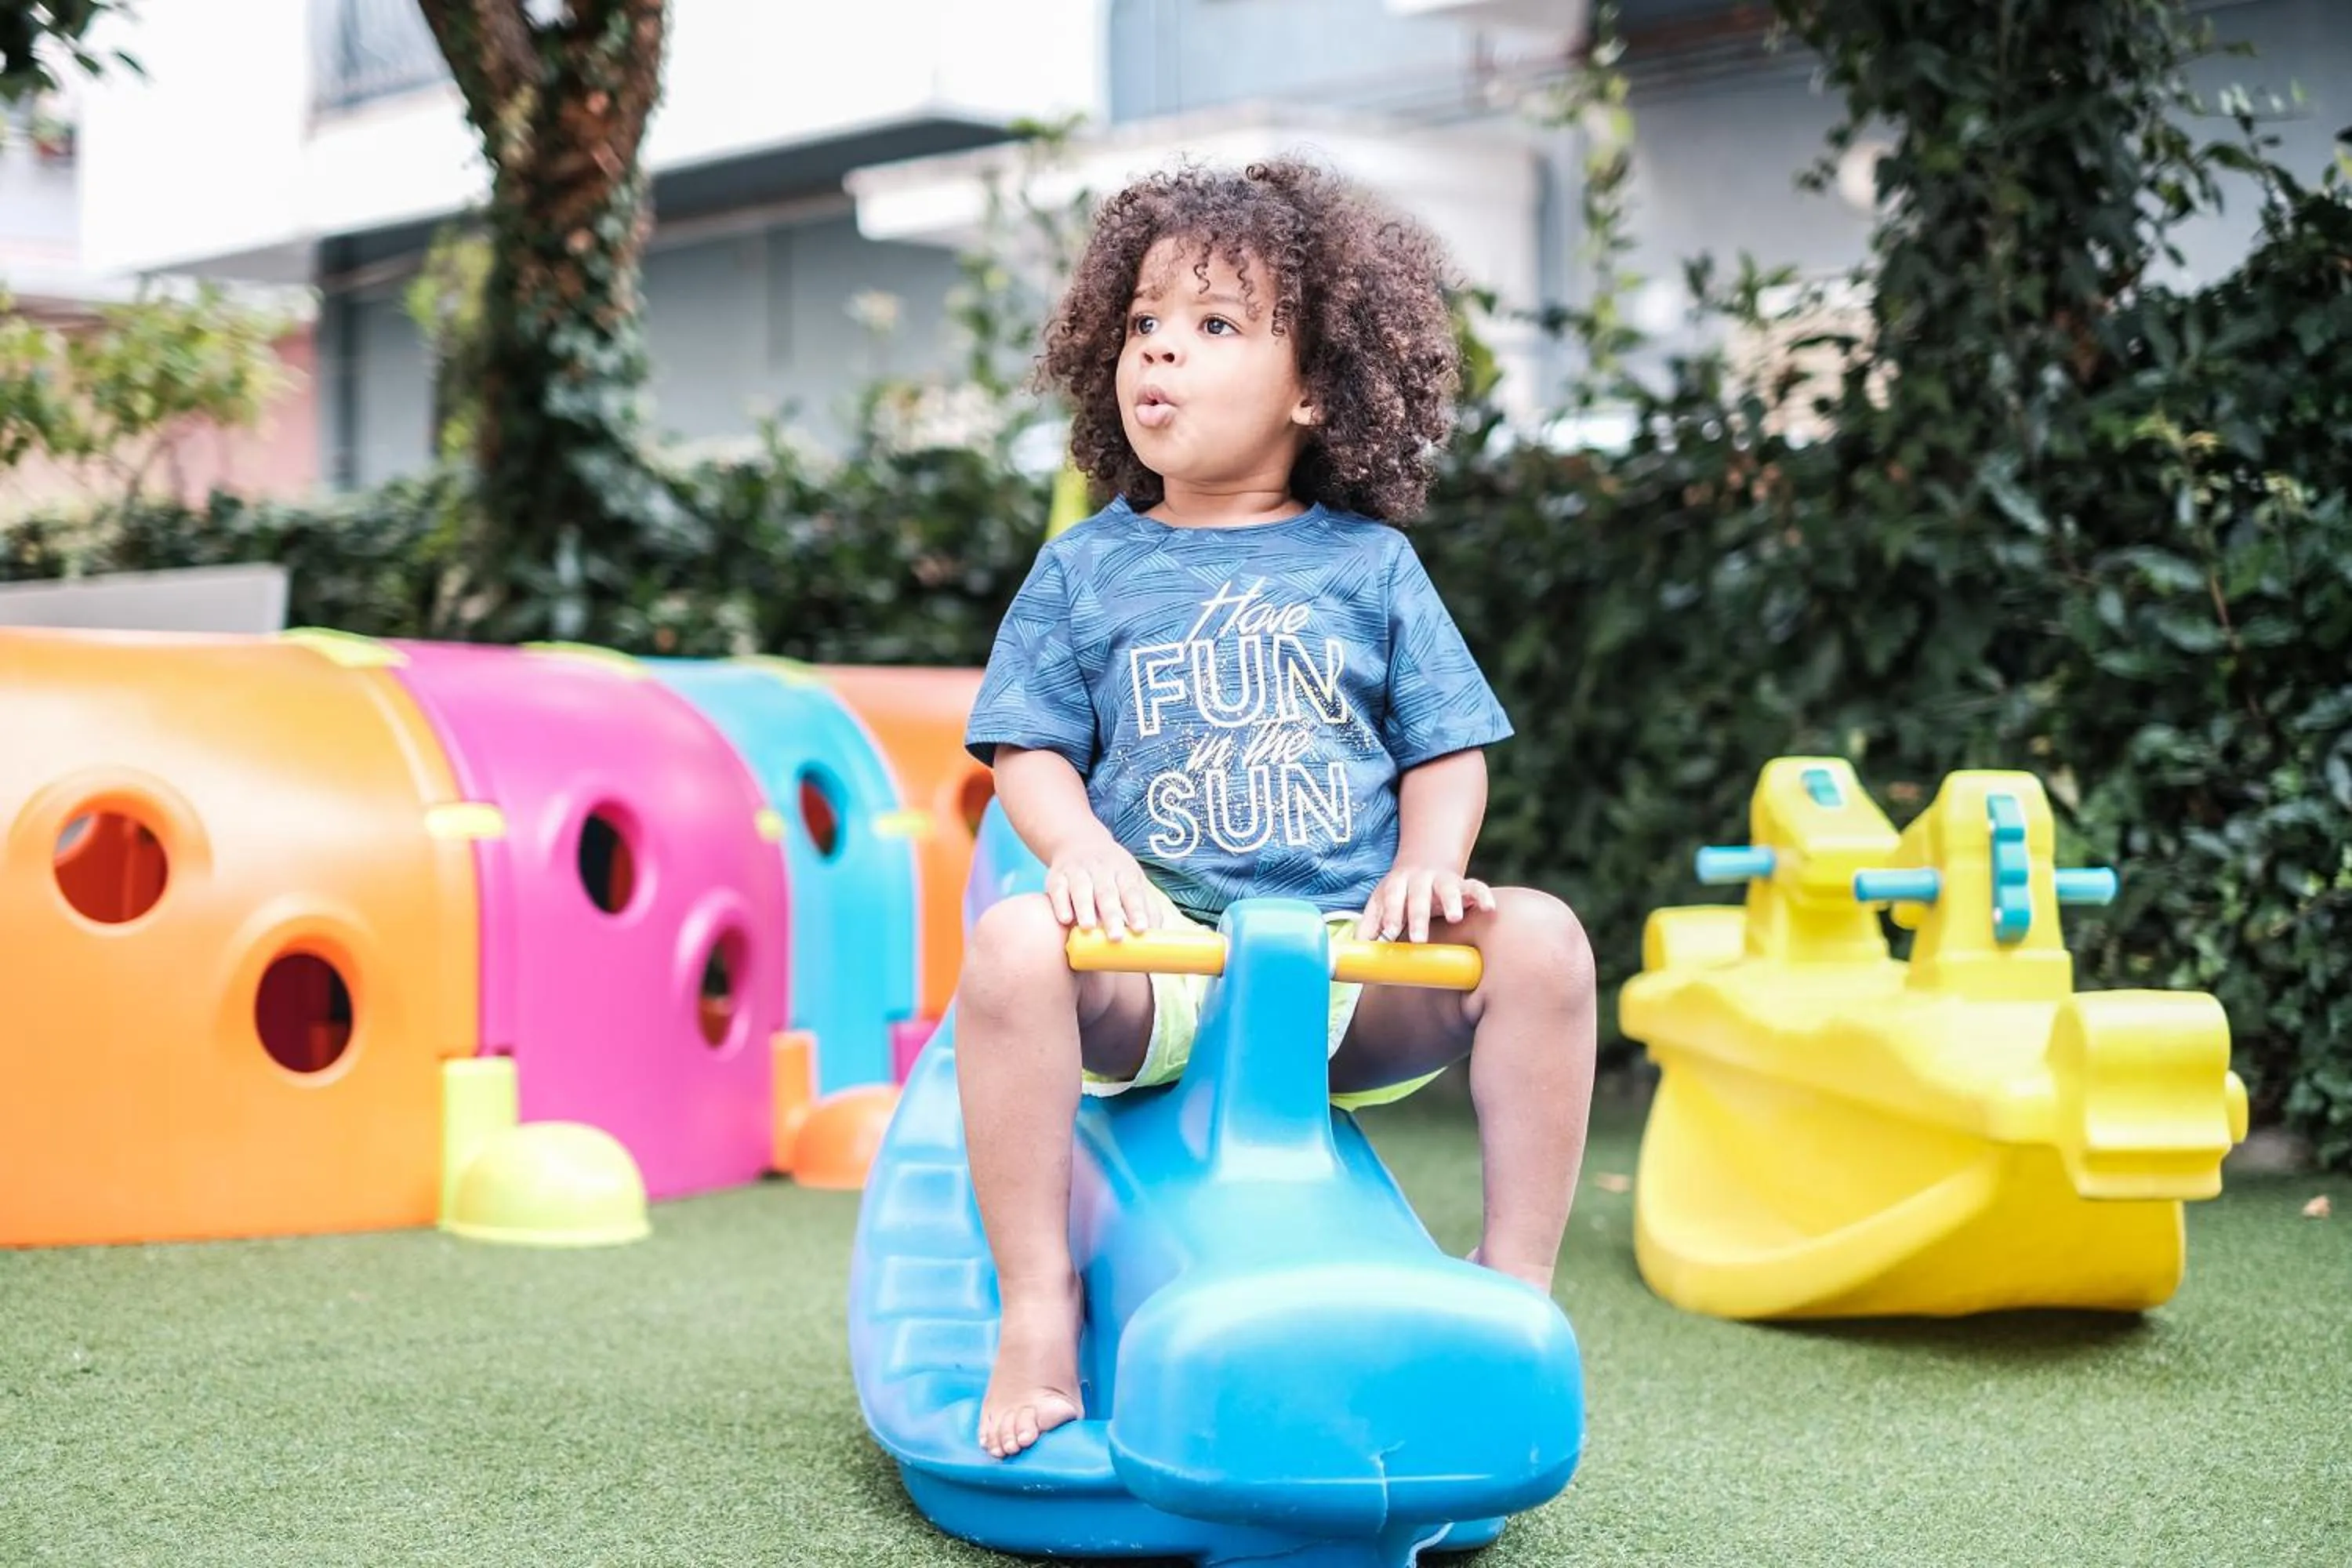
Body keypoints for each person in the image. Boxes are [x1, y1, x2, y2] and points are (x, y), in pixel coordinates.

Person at [958, 157, 1598, 1460]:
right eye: (1144, 323)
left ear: (1316, 387)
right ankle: (1038, 1301)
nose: (1163, 355)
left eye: (1215, 326)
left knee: (1544, 942)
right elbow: (1023, 745)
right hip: (1166, 969)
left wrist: (1431, 864)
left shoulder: (1373, 568)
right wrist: (1080, 854)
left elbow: (1448, 748)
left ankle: (1515, 1285)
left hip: (1349, 975)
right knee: (1013, 945)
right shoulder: (1085, 570)